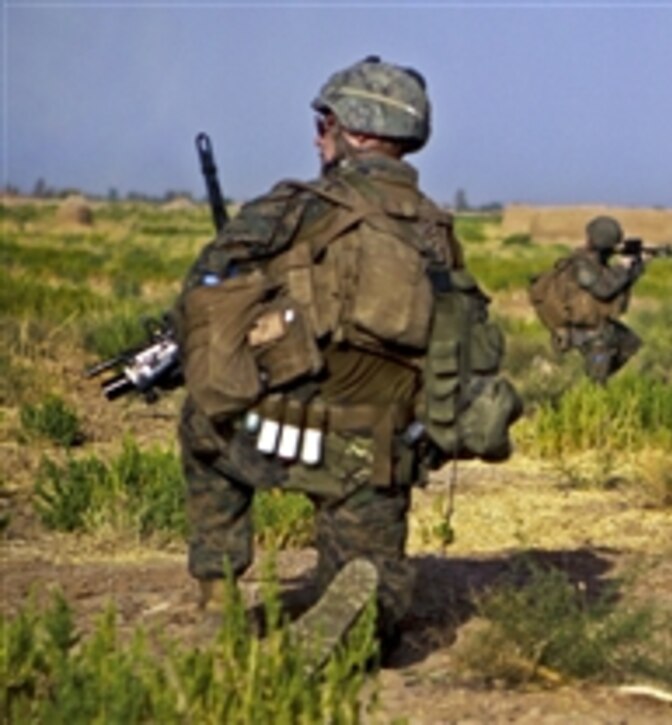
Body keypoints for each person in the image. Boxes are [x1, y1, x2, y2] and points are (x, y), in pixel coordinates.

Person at [173, 56, 520, 665]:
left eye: (323, 123)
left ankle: (219, 589)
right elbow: (465, 342)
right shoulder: (439, 233)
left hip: (272, 433)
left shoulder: (296, 206)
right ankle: (356, 625)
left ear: (354, 132)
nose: (317, 136)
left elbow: (199, 295)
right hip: (377, 452)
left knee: (201, 422)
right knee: (372, 587)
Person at [528, 215, 645, 384]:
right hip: (589, 332)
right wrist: (622, 266)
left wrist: (636, 266)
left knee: (630, 343)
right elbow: (604, 289)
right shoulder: (582, 265)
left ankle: (588, 382)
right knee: (596, 383)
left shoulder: (595, 262)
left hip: (600, 327)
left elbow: (618, 284)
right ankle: (587, 399)